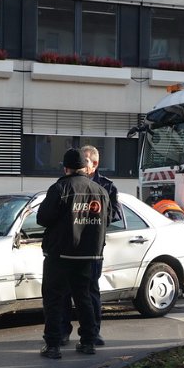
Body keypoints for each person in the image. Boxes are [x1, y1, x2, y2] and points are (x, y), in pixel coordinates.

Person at [38, 148, 111, 359]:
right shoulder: (100, 191)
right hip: (89, 254)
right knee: (84, 297)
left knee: (54, 299)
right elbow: (105, 221)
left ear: (66, 167)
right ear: (85, 168)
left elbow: (43, 218)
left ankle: (52, 345)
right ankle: (88, 341)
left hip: (60, 254)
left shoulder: (60, 188)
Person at [60, 145, 122, 347]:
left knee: (90, 291)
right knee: (65, 291)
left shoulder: (106, 186)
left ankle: (92, 332)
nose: (80, 162)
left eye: (84, 159)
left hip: (92, 248)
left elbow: (114, 214)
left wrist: (90, 217)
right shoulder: (67, 184)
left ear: (94, 163)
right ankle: (62, 332)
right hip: (69, 247)